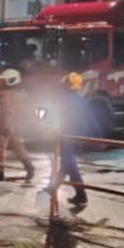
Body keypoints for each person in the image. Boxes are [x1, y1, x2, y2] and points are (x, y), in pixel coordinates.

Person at [53, 71, 98, 208]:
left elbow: (59, 118)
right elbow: (90, 120)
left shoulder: (65, 100)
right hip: (77, 135)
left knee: (69, 164)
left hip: (68, 135)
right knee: (67, 163)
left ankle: (81, 194)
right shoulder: (81, 100)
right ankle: (53, 187)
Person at [0, 69, 35, 182]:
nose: (1, 83)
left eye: (4, 80)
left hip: (12, 126)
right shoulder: (18, 94)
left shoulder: (12, 95)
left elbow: (10, 112)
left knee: (15, 148)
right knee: (2, 147)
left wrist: (3, 126)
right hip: (10, 125)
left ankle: (29, 168)